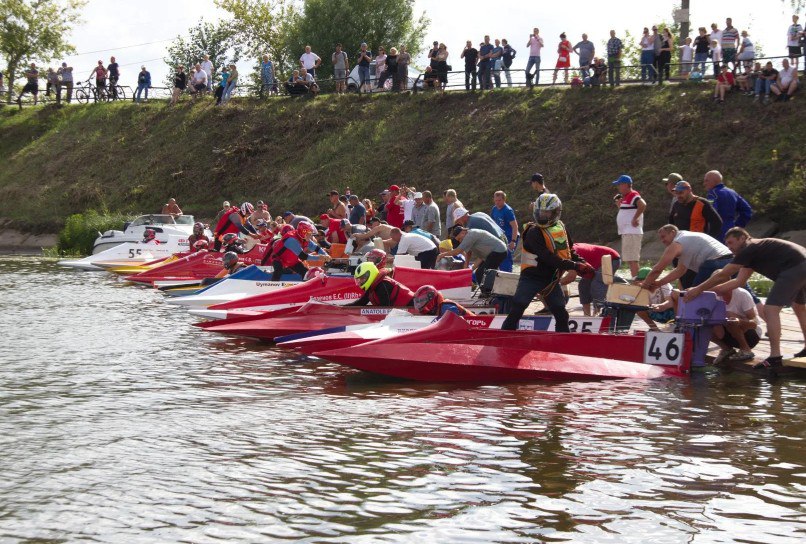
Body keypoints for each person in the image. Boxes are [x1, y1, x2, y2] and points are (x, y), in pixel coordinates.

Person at [684, 227, 806, 369]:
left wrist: (698, 289)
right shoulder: (754, 253)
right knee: (799, 308)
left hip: (794, 267)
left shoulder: (749, 247)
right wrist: (704, 292)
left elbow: (723, 274)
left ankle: (775, 357)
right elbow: (738, 282)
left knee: (770, 310)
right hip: (801, 264)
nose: (729, 248)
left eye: (731, 243)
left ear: (742, 238)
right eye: (727, 244)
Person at [502, 194, 593, 332]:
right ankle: (503, 336)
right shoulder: (533, 232)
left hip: (550, 279)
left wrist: (582, 263)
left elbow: (569, 251)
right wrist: (574, 266)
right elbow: (548, 258)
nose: (543, 215)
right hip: (531, 278)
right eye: (540, 212)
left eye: (547, 212)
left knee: (561, 312)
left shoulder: (561, 227)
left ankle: (562, 341)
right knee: (518, 306)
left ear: (556, 212)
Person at [641, 224, 734, 291]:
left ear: (672, 233)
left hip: (714, 262)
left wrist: (645, 284)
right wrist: (659, 283)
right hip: (732, 261)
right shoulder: (686, 238)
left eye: (663, 237)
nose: (662, 241)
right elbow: (680, 270)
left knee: (693, 294)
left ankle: (692, 318)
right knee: (736, 290)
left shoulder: (677, 242)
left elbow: (658, 268)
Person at [710, 286, 762, 364]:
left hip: (750, 335)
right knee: (704, 322)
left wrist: (739, 322)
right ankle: (726, 349)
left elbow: (754, 323)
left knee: (729, 316)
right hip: (729, 335)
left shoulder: (742, 294)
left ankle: (746, 350)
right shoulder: (714, 296)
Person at [568, 243, 620, 316]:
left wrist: (557, 285)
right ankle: (587, 315)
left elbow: (571, 277)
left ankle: (598, 314)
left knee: (597, 284)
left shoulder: (570, 253)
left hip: (610, 258)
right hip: (594, 265)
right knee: (583, 285)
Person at [441, 226, 508, 282]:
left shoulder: (470, 235)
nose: (460, 241)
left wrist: (441, 255)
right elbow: (469, 252)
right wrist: (466, 267)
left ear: (463, 232)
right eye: (458, 240)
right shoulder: (469, 236)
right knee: (480, 272)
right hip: (491, 254)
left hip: (499, 251)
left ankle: (487, 292)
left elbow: (457, 251)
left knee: (482, 273)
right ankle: (487, 291)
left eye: (460, 238)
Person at [702, 170, 752, 242]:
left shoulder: (712, 194)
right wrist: (738, 226)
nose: (704, 183)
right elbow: (747, 210)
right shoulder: (732, 192)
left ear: (715, 181)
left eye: (706, 181)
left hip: (718, 232)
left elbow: (711, 213)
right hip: (732, 229)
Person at [612, 174, 645, 277]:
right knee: (630, 259)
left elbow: (642, 204)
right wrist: (619, 206)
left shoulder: (633, 194)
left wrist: (635, 218)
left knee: (632, 259)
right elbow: (627, 212)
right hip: (627, 232)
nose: (618, 187)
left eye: (619, 185)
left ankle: (636, 281)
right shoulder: (626, 197)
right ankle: (635, 279)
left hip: (632, 232)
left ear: (626, 185)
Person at [349, 262, 415, 307]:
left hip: (412, 307)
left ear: (370, 274)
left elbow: (385, 309)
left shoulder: (382, 285)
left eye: (362, 278)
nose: (360, 281)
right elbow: (361, 302)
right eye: (359, 279)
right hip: (403, 310)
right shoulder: (372, 285)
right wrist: (342, 307)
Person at [491, 191, 519, 273]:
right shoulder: (494, 209)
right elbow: (492, 223)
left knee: (506, 257)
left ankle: (507, 276)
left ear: (504, 200)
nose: (497, 202)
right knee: (498, 256)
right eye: (495, 200)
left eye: (499, 200)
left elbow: (515, 226)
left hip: (510, 237)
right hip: (500, 237)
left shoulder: (508, 211)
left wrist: (513, 241)